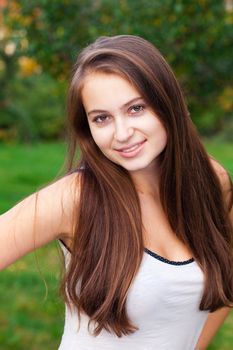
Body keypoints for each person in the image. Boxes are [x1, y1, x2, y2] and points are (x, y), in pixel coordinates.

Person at [0, 35, 232, 350]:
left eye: (136, 108)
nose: (122, 134)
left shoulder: (211, 182)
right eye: (102, 118)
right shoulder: (76, 198)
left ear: (167, 102)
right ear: (88, 127)